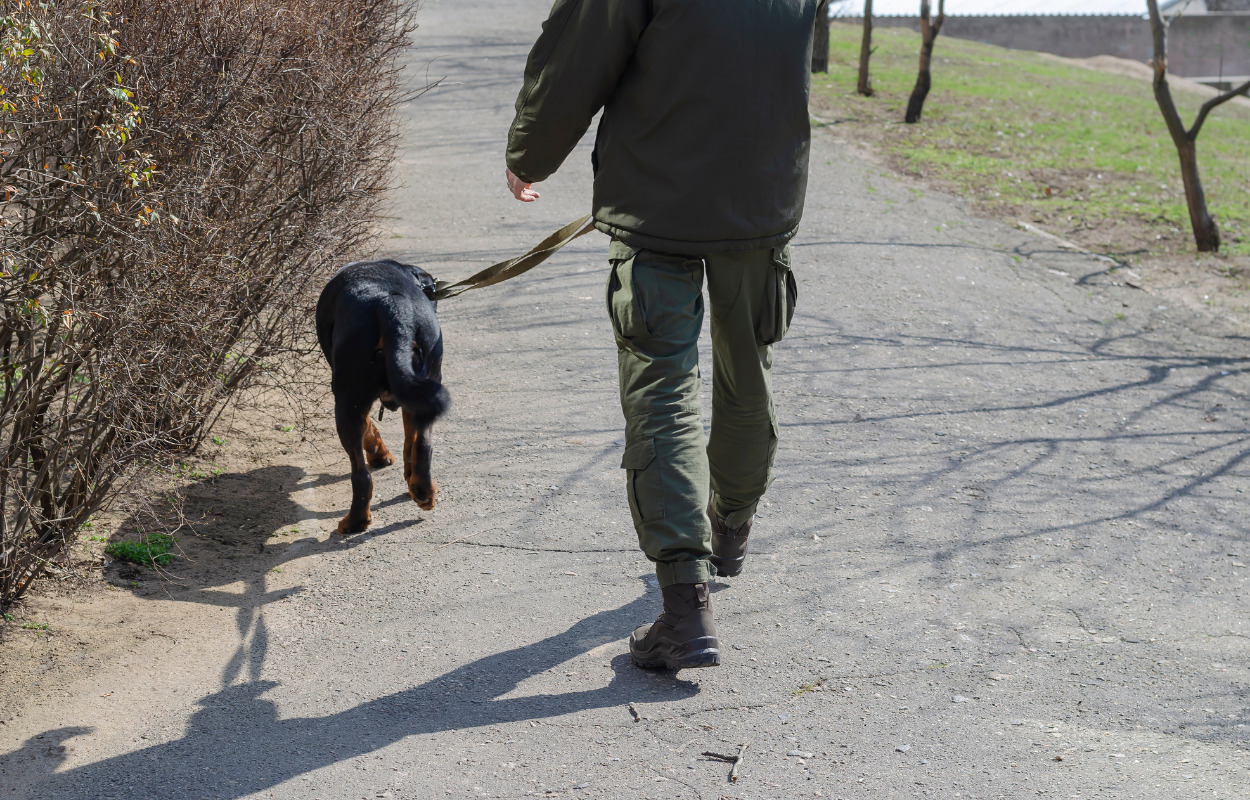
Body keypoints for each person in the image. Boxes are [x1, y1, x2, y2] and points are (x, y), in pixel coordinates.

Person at [505, 0, 818, 671]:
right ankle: (729, 529)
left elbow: (576, 57)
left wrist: (529, 152)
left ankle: (686, 604)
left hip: (655, 204)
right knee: (747, 368)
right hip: (760, 199)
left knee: (662, 385)